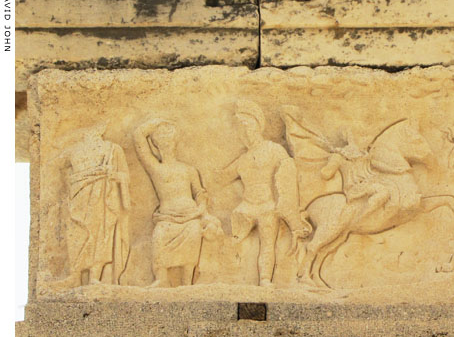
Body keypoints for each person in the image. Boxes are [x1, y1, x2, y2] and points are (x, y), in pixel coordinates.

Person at [221, 100, 311, 287]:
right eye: (241, 129)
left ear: (258, 125)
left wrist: (291, 216)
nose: (245, 133)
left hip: (268, 206)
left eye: (248, 127)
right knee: (234, 241)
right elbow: (221, 179)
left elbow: (287, 179)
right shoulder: (242, 160)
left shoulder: (274, 150)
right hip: (246, 207)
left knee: (267, 244)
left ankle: (264, 280)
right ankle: (231, 276)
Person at [132, 119, 222, 287]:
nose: (166, 144)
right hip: (167, 218)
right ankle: (161, 279)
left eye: (169, 140)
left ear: (175, 143)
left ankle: (187, 282)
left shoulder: (188, 169)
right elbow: (138, 137)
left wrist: (201, 210)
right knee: (159, 237)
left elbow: (199, 193)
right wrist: (158, 122)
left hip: (190, 216)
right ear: (156, 146)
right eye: (161, 141)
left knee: (194, 232)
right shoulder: (155, 168)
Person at [54, 123, 130, 287]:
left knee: (101, 232)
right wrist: (73, 180)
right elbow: (56, 165)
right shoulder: (73, 150)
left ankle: (95, 277)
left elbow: (125, 175)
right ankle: (74, 275)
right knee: (76, 231)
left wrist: (113, 174)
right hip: (78, 196)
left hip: (103, 195)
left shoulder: (112, 149)